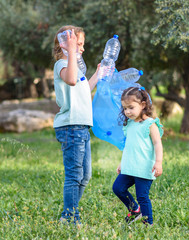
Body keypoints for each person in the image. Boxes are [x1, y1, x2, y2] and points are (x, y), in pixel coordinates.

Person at [52, 25, 99, 224]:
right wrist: (71, 51)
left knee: (85, 175)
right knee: (74, 174)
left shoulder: (76, 67)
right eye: (78, 44)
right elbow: (71, 80)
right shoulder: (62, 64)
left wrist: (97, 74)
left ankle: (68, 212)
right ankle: (70, 217)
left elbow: (82, 89)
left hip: (81, 126)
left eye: (81, 45)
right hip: (71, 126)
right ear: (64, 44)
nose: (82, 49)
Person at [112, 86, 164, 225]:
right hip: (130, 166)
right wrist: (122, 162)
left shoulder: (150, 124)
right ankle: (135, 209)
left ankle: (148, 223)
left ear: (142, 105)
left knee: (142, 196)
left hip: (144, 167)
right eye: (125, 108)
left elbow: (157, 144)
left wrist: (158, 162)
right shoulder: (129, 124)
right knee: (118, 188)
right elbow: (129, 145)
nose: (127, 112)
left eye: (131, 107)